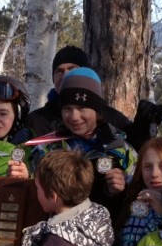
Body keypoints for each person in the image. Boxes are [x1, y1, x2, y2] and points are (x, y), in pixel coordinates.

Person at [32, 67, 137, 213]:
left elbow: (139, 198)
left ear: (97, 110)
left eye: (82, 108)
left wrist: (120, 190)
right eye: (68, 108)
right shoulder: (48, 147)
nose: (74, 117)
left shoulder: (120, 150)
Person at [24, 45, 132, 136]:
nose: (65, 75)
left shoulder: (111, 118)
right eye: (59, 71)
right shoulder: (36, 121)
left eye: (72, 69)